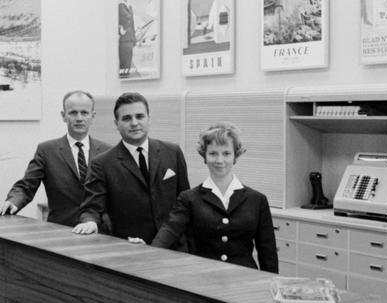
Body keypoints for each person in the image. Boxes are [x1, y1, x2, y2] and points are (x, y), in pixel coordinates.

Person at [150, 122, 279, 272]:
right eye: (213, 154)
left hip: (245, 277)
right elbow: (170, 230)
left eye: (226, 153)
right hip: (203, 276)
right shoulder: (189, 198)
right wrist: (148, 251)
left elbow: (268, 253)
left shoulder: (257, 200)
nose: (219, 160)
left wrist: (271, 282)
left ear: (235, 156)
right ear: (204, 156)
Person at [74, 93, 190, 245]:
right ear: (116, 124)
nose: (134, 123)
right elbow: (91, 208)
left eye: (140, 116)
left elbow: (185, 204)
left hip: (174, 246)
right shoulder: (102, 164)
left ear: (149, 118)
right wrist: (90, 222)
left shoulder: (173, 152)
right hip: (130, 247)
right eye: (127, 118)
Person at [0, 91, 113, 227]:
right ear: (63, 116)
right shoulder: (46, 150)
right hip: (61, 229)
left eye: (84, 113)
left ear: (93, 116)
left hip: (99, 231)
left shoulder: (108, 151)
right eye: (73, 113)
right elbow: (27, 185)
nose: (79, 118)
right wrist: (13, 201)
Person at [118, 0, 135, 79]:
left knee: (128, 68)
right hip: (123, 43)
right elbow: (114, 22)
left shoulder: (130, 8)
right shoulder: (120, 6)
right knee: (123, 69)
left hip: (130, 42)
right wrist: (119, 29)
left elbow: (132, 25)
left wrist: (134, 42)